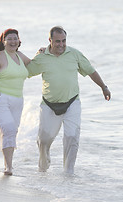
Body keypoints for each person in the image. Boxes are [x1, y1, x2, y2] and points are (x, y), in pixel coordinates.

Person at [27, 26, 111, 174]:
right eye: (57, 41)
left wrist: (104, 87)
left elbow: (91, 71)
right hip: (49, 105)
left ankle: (68, 173)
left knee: (72, 137)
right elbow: (26, 72)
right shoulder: (42, 57)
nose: (61, 44)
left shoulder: (74, 54)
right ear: (50, 41)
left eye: (64, 41)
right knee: (44, 140)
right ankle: (43, 168)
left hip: (72, 102)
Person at [0, 28, 32, 176]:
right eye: (10, 39)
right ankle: (9, 167)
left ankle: (7, 164)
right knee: (9, 130)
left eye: (15, 38)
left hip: (18, 100)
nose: (13, 41)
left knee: (11, 131)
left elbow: (33, 64)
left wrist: (43, 52)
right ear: (4, 41)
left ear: (19, 41)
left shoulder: (20, 56)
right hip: (0, 99)